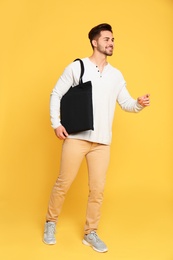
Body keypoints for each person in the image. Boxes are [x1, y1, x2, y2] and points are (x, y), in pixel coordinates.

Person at [43, 23, 150, 253]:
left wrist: (139, 104)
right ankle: (50, 223)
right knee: (63, 183)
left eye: (113, 40)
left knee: (97, 190)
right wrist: (56, 123)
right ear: (95, 41)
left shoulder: (116, 75)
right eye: (107, 39)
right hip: (76, 137)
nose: (111, 43)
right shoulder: (78, 67)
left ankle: (90, 233)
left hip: (102, 143)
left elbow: (126, 104)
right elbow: (56, 93)